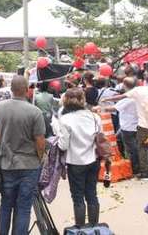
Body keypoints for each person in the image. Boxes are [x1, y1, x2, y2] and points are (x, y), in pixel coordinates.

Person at [0, 75, 46, 235]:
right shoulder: (35, 112)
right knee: (23, 207)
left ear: (11, 89)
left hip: (7, 164)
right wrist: (40, 158)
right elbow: (40, 142)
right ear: (27, 90)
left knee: (6, 204)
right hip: (29, 165)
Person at [55, 88, 101, 227]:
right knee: (92, 195)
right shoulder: (95, 117)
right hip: (93, 160)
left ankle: (80, 229)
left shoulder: (65, 119)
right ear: (83, 100)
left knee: (78, 198)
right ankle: (94, 228)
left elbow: (63, 145)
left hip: (75, 162)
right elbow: (100, 138)